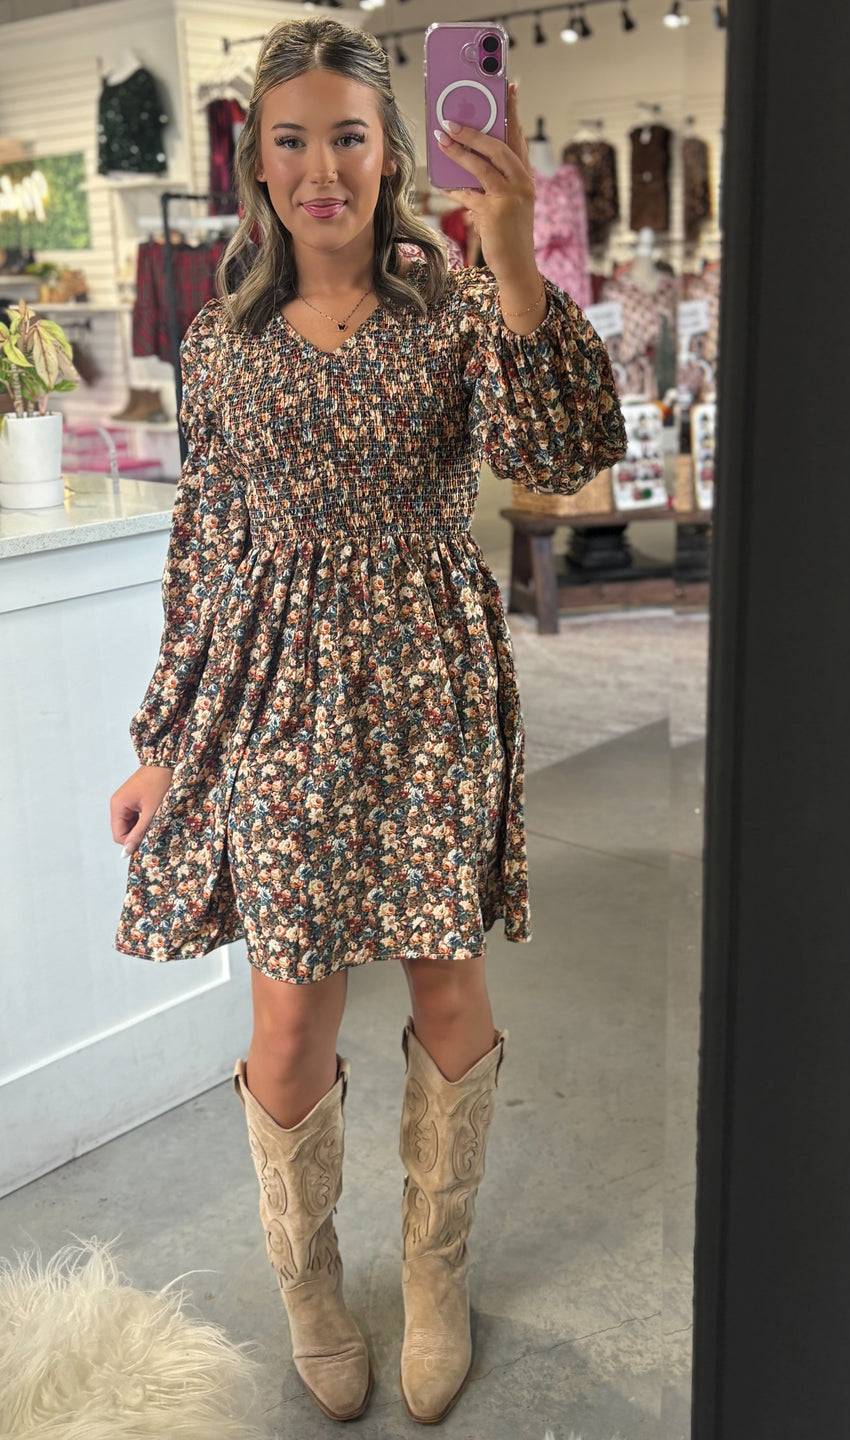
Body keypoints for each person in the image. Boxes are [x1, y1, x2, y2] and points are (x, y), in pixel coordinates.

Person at [107, 15, 626, 1428]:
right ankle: (310, 1283)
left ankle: (435, 1274)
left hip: (429, 686)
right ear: (257, 161)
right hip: (277, 695)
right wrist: (164, 739)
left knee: (447, 982)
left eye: (348, 136)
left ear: (390, 150)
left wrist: (512, 257)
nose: (322, 167)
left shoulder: (455, 307)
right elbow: (205, 547)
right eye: (293, 140)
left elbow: (562, 452)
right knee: (291, 1014)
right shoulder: (218, 343)